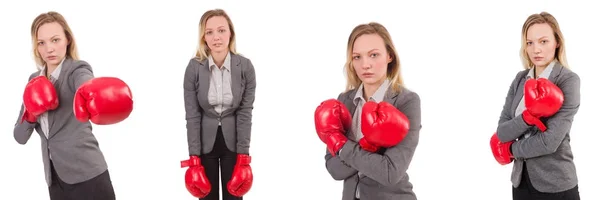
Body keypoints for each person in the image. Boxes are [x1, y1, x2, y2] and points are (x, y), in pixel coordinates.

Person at [13, 11, 133, 200]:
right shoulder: (33, 80)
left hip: (87, 174)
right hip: (55, 180)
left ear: (67, 39)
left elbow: (86, 84)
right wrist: (31, 114)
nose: (49, 49)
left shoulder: (77, 70)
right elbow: (19, 136)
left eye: (55, 40)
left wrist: (92, 91)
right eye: (41, 43)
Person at [314, 22, 422, 200]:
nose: (365, 64)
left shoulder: (406, 101)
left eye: (374, 55)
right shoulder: (344, 101)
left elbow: (390, 172)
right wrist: (369, 150)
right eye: (357, 57)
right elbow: (334, 169)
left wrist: (341, 146)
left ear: (389, 56)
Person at [489, 11, 581, 200]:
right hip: (521, 183)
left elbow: (549, 142)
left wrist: (511, 150)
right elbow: (502, 132)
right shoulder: (520, 79)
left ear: (557, 43)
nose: (536, 49)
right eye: (530, 43)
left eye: (543, 41)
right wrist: (526, 117)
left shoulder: (568, 80)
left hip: (556, 184)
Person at [180, 8, 256, 200]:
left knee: (234, 197)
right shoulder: (193, 68)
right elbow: (192, 115)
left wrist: (244, 157)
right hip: (205, 144)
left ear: (230, 33)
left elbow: (245, 112)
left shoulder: (245, 67)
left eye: (221, 30)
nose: (216, 37)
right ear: (203, 37)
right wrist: (194, 158)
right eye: (209, 32)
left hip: (234, 143)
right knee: (207, 197)